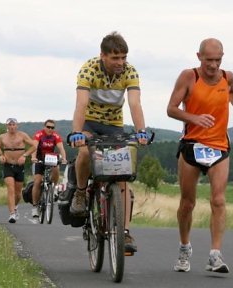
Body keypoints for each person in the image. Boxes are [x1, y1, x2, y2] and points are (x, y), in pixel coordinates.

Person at [167, 38, 233, 273]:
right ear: (199, 56)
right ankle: (184, 247)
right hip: (192, 145)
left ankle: (215, 255)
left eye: (218, 60)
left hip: (219, 147)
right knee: (187, 203)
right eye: (209, 60)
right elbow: (171, 108)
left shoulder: (227, 77)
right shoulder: (189, 77)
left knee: (219, 200)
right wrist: (194, 118)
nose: (214, 65)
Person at [68, 31, 149, 253]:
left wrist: (141, 131)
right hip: (90, 123)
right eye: (115, 58)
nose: (120, 62)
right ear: (102, 55)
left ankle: (124, 233)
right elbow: (81, 104)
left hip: (114, 124)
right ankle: (81, 193)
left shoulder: (130, 71)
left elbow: (134, 103)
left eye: (123, 57)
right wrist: (77, 132)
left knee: (122, 177)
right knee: (84, 153)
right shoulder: (89, 69)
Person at [0, 118, 37, 223]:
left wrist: (25, 155)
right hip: (7, 165)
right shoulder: (2, 137)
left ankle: (15, 207)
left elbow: (34, 145)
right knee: (10, 189)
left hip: (19, 165)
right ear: (7, 126)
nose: (12, 127)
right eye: (10, 125)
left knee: (18, 193)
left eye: (13, 124)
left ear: (17, 126)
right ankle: (12, 214)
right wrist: (0, 155)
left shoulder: (22, 135)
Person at [30, 119, 68, 217]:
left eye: (52, 127)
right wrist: (33, 157)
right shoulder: (39, 135)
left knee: (56, 168)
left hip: (50, 159)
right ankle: (34, 207)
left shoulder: (56, 136)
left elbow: (61, 148)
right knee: (37, 182)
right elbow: (34, 147)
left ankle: (54, 188)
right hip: (39, 159)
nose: (50, 129)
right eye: (48, 127)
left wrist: (64, 158)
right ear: (44, 127)